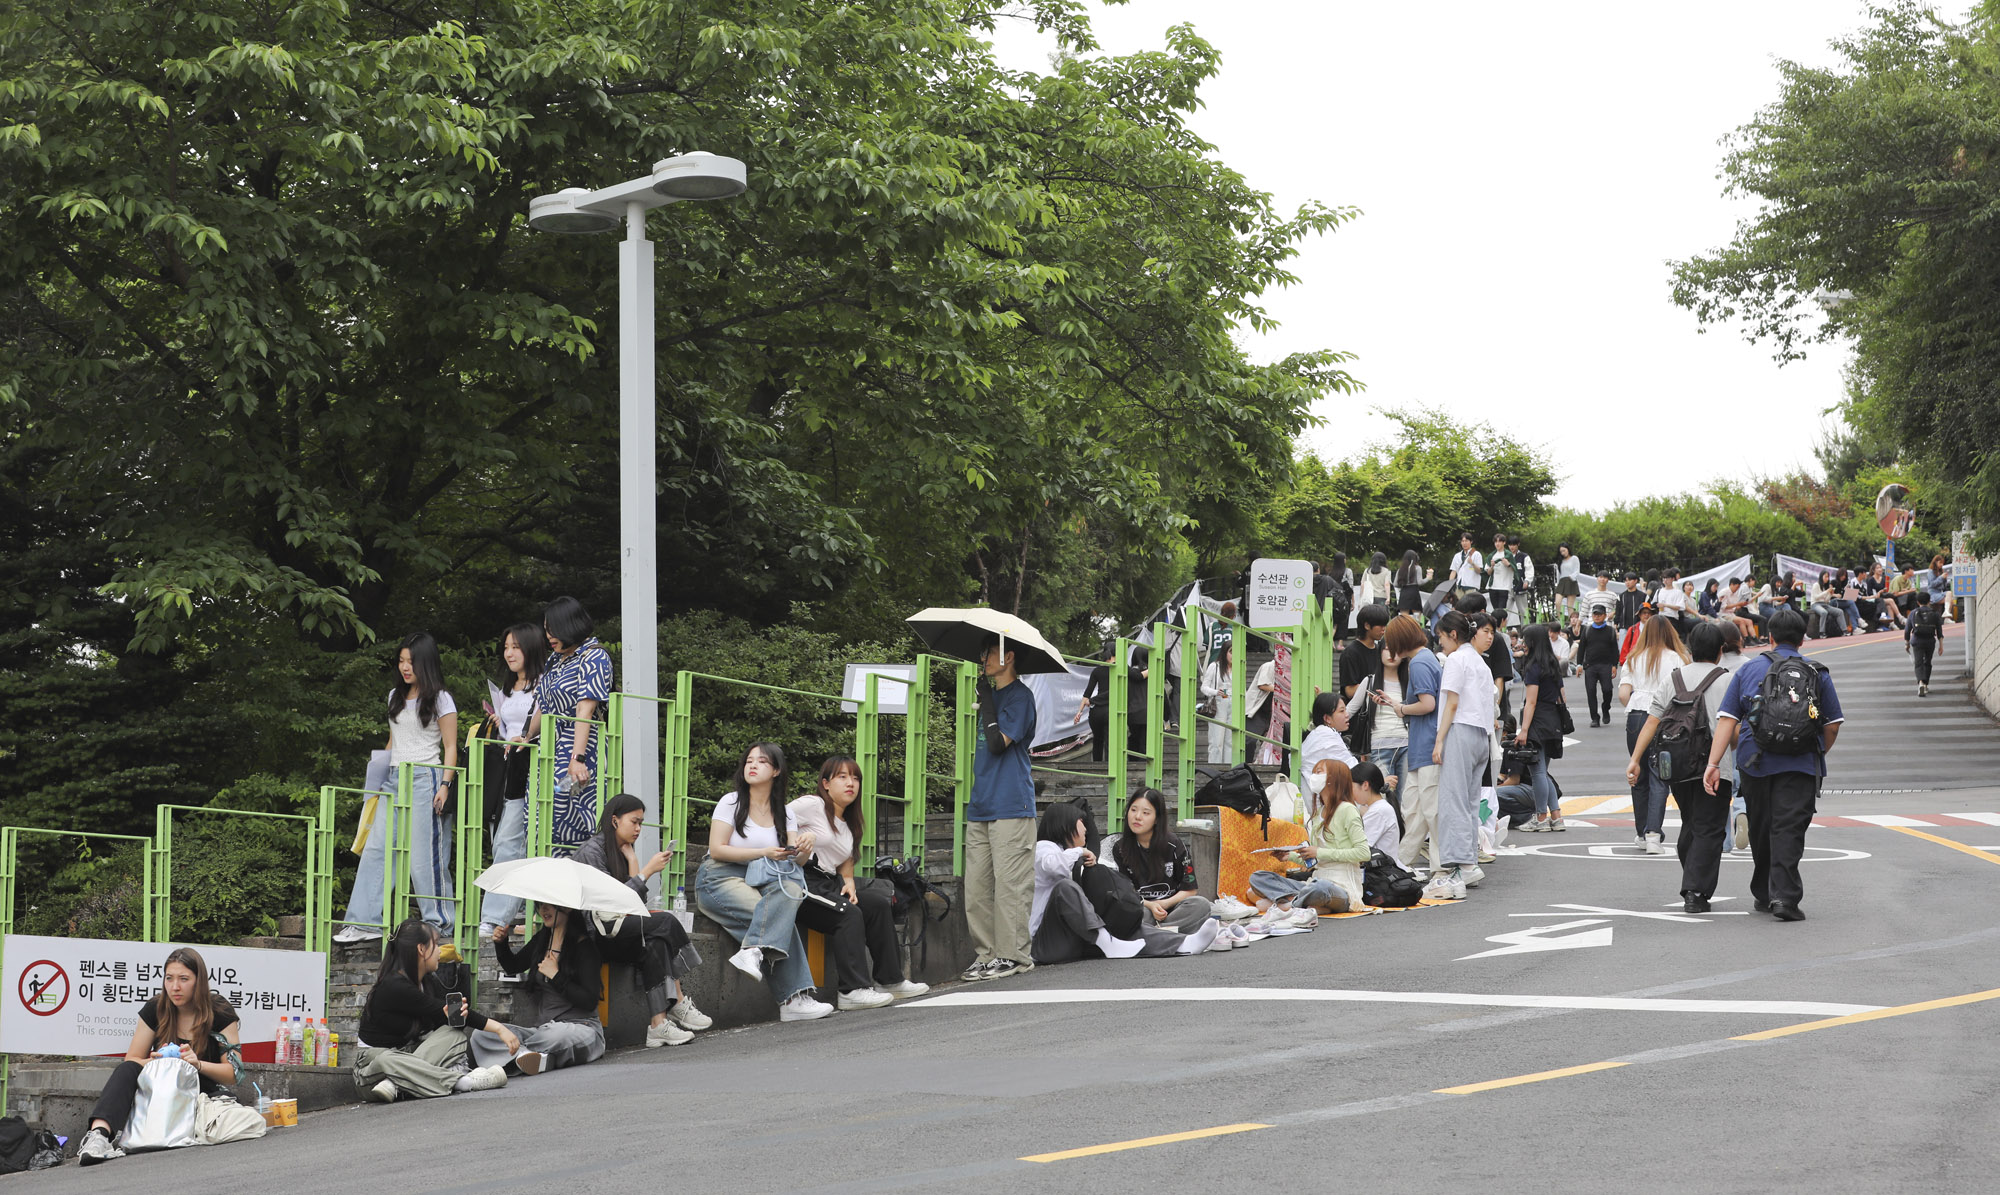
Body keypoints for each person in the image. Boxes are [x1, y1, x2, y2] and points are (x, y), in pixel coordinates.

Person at [1705, 609, 1844, 921]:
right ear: (1803, 639)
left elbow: (1727, 719)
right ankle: (1784, 897)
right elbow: (1833, 723)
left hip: (1755, 761)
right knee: (1788, 828)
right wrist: (1817, 750)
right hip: (1801, 764)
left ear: (1769, 637)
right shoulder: (1817, 671)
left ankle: (1765, 892)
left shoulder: (1749, 669)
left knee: (1763, 825)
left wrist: (1713, 763)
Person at [76, 947, 258, 1164]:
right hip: (161, 1086)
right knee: (126, 1070)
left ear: (199, 981)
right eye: (169, 978)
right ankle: (98, 1136)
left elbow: (233, 1074)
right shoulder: (156, 1008)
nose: (175, 987)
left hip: (201, 1088)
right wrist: (157, 1062)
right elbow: (132, 1059)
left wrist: (196, 1063)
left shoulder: (218, 1011)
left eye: (184, 979)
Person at [694, 743, 833, 1020]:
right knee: (775, 916)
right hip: (719, 876)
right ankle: (794, 999)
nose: (752, 765)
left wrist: (806, 845)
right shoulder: (731, 802)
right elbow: (718, 849)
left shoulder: (785, 812)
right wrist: (763, 852)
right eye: (748, 761)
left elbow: (796, 861)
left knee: (792, 892)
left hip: (763, 879)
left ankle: (753, 951)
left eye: (761, 761)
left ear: (776, 770)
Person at [336, 631, 459, 942]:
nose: (405, 668)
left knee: (423, 858)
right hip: (393, 778)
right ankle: (363, 922)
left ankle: (439, 923)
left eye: (412, 662)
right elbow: (392, 742)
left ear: (425, 663)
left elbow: (450, 747)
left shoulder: (441, 698)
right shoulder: (394, 696)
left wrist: (445, 785)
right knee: (376, 850)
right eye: (402, 661)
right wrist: (374, 786)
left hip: (426, 777)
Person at [789, 757, 930, 1008]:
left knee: (876, 903)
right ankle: (851, 991)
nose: (850, 783)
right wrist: (796, 840)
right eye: (842, 777)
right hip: (799, 881)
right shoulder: (812, 805)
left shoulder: (851, 823)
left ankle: (889, 980)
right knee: (849, 913)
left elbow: (846, 857)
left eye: (855, 778)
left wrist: (849, 881)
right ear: (826, 783)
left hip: (828, 882)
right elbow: (777, 817)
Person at [573, 794, 711, 1045]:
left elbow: (633, 905)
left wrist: (634, 861)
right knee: (666, 922)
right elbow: (610, 903)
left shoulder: (624, 850)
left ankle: (658, 1025)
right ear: (615, 821)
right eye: (634, 822)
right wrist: (646, 870)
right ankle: (678, 1000)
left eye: (641, 823)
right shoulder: (592, 852)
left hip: (619, 929)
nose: (638, 828)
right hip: (597, 935)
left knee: (656, 943)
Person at [353, 919, 532, 1103]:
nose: (439, 950)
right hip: (371, 1070)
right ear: (421, 949)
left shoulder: (428, 982)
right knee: (387, 1060)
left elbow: (452, 1016)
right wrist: (499, 1028)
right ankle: (463, 1082)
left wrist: (457, 1012)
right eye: (436, 944)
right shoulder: (394, 986)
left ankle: (397, 1084)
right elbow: (442, 1010)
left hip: (404, 1060)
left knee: (453, 1034)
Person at [1622, 622, 1734, 912]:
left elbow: (1652, 720)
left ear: (1690, 649)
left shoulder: (1674, 678)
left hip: (1679, 765)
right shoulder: (1726, 680)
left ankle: (1692, 878)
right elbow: (1732, 731)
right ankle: (1695, 892)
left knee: (1692, 821)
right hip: (1716, 767)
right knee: (1709, 828)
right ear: (1720, 650)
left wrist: (1635, 759)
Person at [1030, 803, 1220, 962]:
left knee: (1127, 925)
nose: (1086, 828)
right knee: (1065, 888)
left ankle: (1183, 943)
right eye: (1081, 822)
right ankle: (1107, 941)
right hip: (1045, 944)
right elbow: (1053, 866)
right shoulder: (1044, 847)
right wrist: (1079, 852)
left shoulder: (1172, 844)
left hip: (1073, 939)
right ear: (1065, 825)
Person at [961, 633, 1038, 982]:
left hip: (1011, 804)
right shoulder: (991, 697)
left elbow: (996, 744)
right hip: (981, 804)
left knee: (1011, 887)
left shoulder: (1021, 698)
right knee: (976, 888)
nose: (984, 659)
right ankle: (986, 954)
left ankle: (1013, 955)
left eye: (990, 653)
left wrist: (987, 702)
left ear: (1008, 657)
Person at [478, 622, 547, 938]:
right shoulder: (507, 689)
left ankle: (494, 916)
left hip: (535, 771)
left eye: (516, 647)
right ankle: (505, 912)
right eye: (506, 647)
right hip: (508, 772)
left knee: (510, 842)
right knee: (503, 842)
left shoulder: (544, 684)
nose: (509, 653)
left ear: (531, 648)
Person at [481, 904, 606, 1070]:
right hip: (541, 1031)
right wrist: (501, 943)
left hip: (580, 1029)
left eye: (550, 906)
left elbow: (589, 1001)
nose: (543, 911)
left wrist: (555, 976)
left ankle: (519, 1055)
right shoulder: (542, 939)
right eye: (541, 906)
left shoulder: (584, 947)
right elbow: (513, 966)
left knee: (557, 1035)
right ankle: (530, 1057)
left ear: (567, 908)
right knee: (482, 1034)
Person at [538, 596, 613, 854]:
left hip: (579, 752)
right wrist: (525, 737)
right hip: (548, 751)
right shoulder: (554, 660)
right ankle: (545, 893)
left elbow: (586, 708)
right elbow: (543, 704)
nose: (548, 635)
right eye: (546, 629)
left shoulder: (593, 657)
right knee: (540, 822)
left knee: (567, 817)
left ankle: (577, 887)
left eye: (553, 629)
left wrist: (577, 758)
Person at [1428, 610, 1496, 899]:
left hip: (1460, 731)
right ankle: (1470, 862)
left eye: (1442, 637)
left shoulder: (1456, 659)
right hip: (1482, 735)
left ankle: (1462, 865)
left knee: (1452, 800)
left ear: (1453, 635)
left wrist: (1439, 740)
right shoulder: (1480, 662)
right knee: (1468, 802)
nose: (1441, 643)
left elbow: (1452, 703)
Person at [1249, 760, 1371, 914]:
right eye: (1314, 772)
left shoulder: (1348, 810)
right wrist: (1289, 856)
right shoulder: (1318, 814)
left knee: (1320, 888)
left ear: (1334, 778)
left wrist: (1318, 852)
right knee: (1258, 877)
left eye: (1319, 772)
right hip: (1314, 881)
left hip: (1341, 889)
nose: (1314, 776)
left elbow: (1364, 853)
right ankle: (1307, 906)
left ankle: (1287, 905)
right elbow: (1314, 861)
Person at [1619, 615, 1687, 855]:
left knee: (1638, 773)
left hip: (1636, 717)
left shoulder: (1634, 658)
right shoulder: (1677, 658)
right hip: (1664, 719)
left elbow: (1623, 694)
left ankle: (1640, 832)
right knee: (1660, 776)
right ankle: (1653, 835)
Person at [1382, 615, 1441, 872]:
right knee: (1416, 811)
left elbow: (1428, 704)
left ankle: (1444, 868)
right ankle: (1402, 863)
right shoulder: (1427, 658)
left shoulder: (1418, 663)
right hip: (1424, 748)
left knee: (1430, 811)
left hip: (1427, 747)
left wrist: (1403, 709)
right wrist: (1398, 706)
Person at [1110, 787, 1214, 933]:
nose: (1137, 817)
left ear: (1157, 818)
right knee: (1131, 913)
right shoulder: (1120, 848)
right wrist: (1150, 905)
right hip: (1143, 907)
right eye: (1133, 810)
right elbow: (1125, 892)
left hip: (1172, 909)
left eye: (1146, 813)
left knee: (1201, 905)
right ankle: (1167, 933)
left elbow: (1190, 889)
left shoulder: (1174, 845)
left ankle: (1151, 933)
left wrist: (1163, 904)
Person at [1511, 624, 1568, 832]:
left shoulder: (1533, 667)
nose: (1523, 644)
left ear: (1533, 642)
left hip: (1538, 721)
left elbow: (1531, 702)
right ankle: (1556, 816)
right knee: (1543, 772)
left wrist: (1524, 730)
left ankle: (1541, 818)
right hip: (1553, 721)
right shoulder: (1553, 663)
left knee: (1537, 773)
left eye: (1526, 640)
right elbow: (1562, 696)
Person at [1338, 604, 1390, 756]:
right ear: (1367, 625)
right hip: (1360, 723)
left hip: (1381, 717)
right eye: (1380, 626)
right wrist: (1373, 684)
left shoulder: (1382, 650)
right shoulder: (1350, 653)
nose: (1383, 630)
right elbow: (1349, 691)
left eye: (1385, 625)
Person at [1366, 640, 1411, 810]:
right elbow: (1350, 710)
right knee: (1382, 799)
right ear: (1379, 652)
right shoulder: (1370, 681)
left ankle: (1403, 836)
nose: (1392, 655)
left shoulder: (1409, 682)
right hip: (1379, 745)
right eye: (1387, 649)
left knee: (1405, 799)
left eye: (1396, 650)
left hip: (1406, 743)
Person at [1577, 602, 1620, 729]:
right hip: (1590, 666)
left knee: (1607, 690)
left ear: (1605, 616)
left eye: (1599, 614)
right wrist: (1579, 664)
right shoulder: (1587, 630)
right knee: (1591, 692)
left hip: (1606, 665)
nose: (1597, 616)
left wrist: (1614, 665)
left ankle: (1606, 708)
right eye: (1595, 614)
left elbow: (1614, 650)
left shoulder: (1610, 631)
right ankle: (1594, 718)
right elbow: (1581, 649)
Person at [1350, 760, 1402, 857]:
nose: (1350, 792)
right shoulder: (1378, 808)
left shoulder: (1378, 811)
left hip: (1379, 871)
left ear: (1365, 785)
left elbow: (1359, 848)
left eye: (1351, 787)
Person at [1300, 690, 1357, 775]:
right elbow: (1353, 769)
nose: (1347, 714)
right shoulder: (1327, 737)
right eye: (1342, 711)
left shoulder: (1320, 733)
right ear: (1327, 718)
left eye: (1345, 710)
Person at [1200, 643, 1235, 764]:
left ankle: (1228, 768)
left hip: (1233, 704)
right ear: (1225, 652)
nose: (1233, 655)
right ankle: (1215, 768)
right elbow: (1204, 687)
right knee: (1217, 740)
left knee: (1230, 741)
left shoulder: (1238, 668)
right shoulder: (1215, 666)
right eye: (1231, 652)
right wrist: (1216, 692)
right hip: (1219, 703)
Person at [1908, 590, 1945, 696]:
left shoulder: (1913, 613)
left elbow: (1907, 630)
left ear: (1918, 602)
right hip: (1930, 641)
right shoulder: (1935, 614)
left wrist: (1906, 643)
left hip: (1917, 640)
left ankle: (1920, 683)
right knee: (1927, 662)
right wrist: (1941, 646)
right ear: (1929, 601)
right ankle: (1925, 684)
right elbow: (1939, 631)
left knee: (1918, 663)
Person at [1078, 656, 1111, 764]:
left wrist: (1079, 712)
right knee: (1109, 740)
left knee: (1097, 739)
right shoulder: (1121, 669)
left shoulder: (1097, 671)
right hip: (1110, 709)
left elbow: (1087, 694)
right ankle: (1109, 766)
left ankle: (1096, 765)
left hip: (1096, 710)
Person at [1484, 532, 1516, 620]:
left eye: (1499, 542)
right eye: (1495, 542)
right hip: (1493, 586)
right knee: (1495, 610)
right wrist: (1492, 566)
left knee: (1501, 610)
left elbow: (1515, 569)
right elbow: (1488, 572)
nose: (1497, 544)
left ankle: (1500, 629)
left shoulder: (1508, 555)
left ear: (1504, 542)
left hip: (1504, 586)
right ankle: (1496, 629)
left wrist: (1508, 564)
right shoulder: (1491, 555)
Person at [1809, 571, 1850, 637]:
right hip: (1815, 604)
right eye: (1825, 577)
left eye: (1828, 577)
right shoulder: (1816, 585)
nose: (1827, 579)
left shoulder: (1825, 587)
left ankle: (1844, 630)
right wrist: (1827, 591)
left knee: (1839, 611)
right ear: (1821, 577)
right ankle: (1822, 632)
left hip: (1824, 604)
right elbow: (1816, 597)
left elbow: (1826, 600)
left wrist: (1830, 594)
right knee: (1824, 612)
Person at [1394, 549, 1433, 618]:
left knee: (1404, 618)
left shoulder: (1400, 569)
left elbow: (1395, 584)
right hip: (1414, 593)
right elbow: (1420, 582)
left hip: (1404, 593)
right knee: (1417, 618)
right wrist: (1428, 578)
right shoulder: (1417, 568)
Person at [1448, 532, 1484, 597]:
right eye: (1462, 541)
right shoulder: (1457, 555)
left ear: (1471, 542)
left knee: (1470, 606)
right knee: (1459, 606)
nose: (1464, 543)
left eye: (1466, 541)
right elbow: (1453, 571)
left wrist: (1472, 563)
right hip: (1459, 586)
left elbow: (1479, 571)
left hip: (1471, 586)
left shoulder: (1476, 554)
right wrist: (1449, 585)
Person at [1553, 544, 1583, 622]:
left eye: (1564, 550)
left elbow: (1577, 570)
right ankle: (1560, 620)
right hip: (1562, 582)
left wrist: (1571, 576)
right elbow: (1559, 574)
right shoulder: (1560, 561)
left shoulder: (1574, 558)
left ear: (1568, 549)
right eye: (1561, 551)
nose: (1563, 553)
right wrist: (1558, 583)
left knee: (1570, 606)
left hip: (1571, 581)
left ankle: (1572, 623)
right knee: (1557, 602)